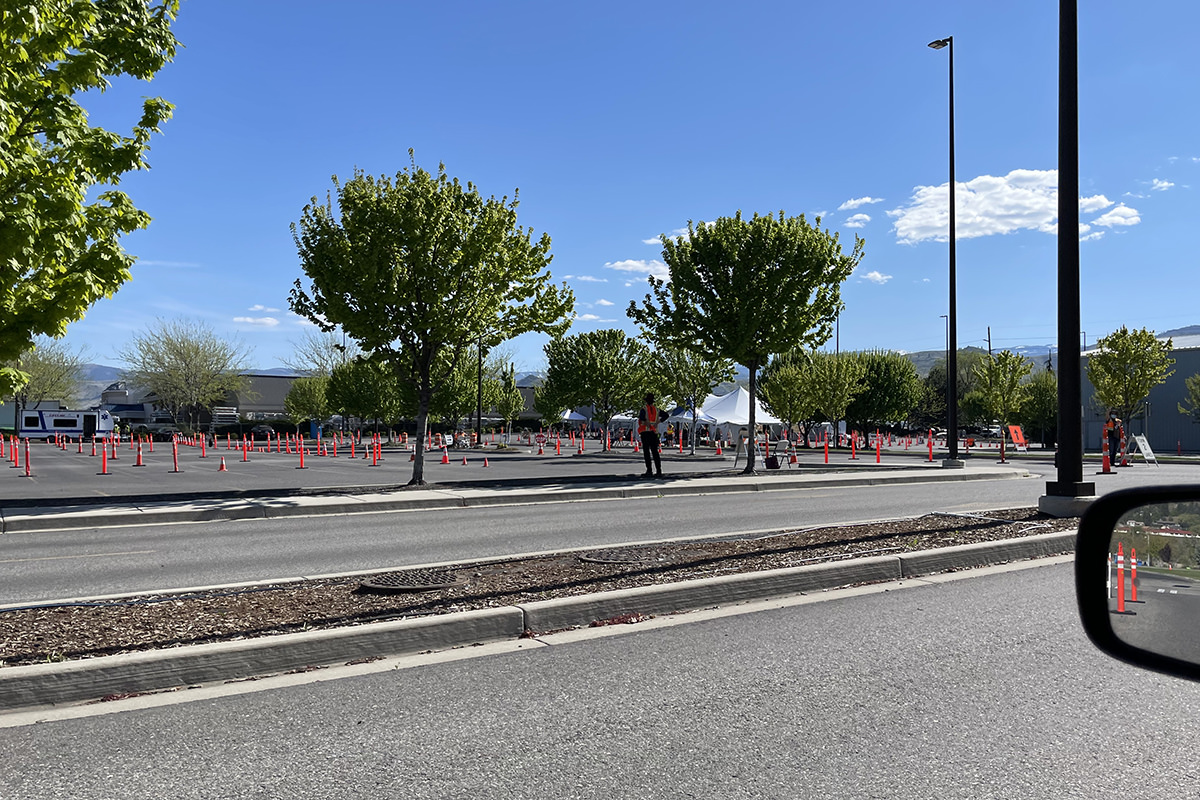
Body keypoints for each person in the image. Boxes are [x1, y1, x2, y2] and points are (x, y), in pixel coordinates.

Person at [637, 393, 663, 478]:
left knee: (647, 452)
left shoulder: (644, 409)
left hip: (645, 432)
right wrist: (657, 422)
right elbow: (666, 415)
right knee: (655, 452)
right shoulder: (657, 410)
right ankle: (659, 471)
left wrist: (647, 423)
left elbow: (642, 418)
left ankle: (649, 470)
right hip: (654, 433)